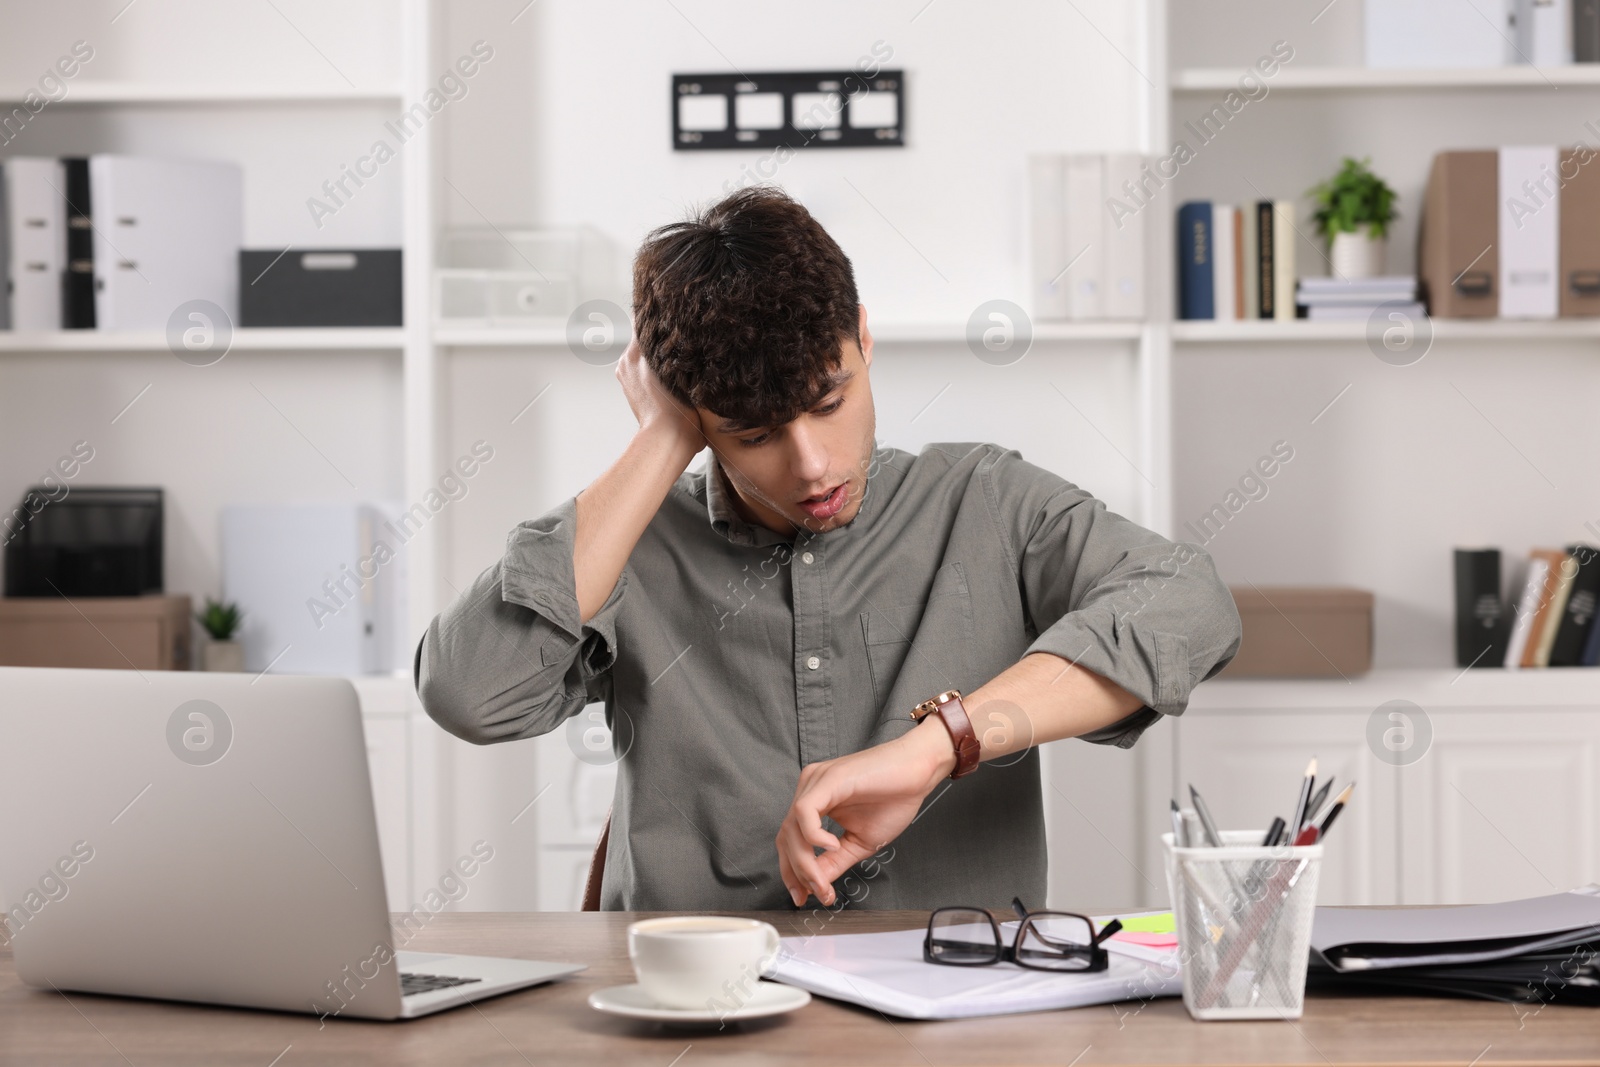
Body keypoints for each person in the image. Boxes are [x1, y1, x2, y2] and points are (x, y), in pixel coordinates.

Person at [415, 186, 1241, 911]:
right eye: (755, 433)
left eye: (829, 400)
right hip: (690, 1022)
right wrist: (664, 439)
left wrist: (938, 745)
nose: (811, 465)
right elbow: (467, 691)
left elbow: (1188, 600)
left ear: (864, 339)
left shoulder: (983, 502)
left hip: (952, 1016)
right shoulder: (629, 542)